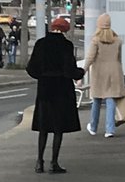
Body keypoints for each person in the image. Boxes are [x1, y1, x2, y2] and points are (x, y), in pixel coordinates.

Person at [26, 16, 84, 173]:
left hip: (45, 89)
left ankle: (39, 161)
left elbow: (31, 68)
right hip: (61, 90)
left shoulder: (41, 44)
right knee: (58, 128)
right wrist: (80, 73)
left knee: (43, 127)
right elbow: (69, 70)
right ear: (65, 30)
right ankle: (54, 162)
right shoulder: (66, 46)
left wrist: (43, 76)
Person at [85, 13, 125, 138]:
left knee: (97, 99)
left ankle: (93, 127)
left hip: (99, 72)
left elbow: (90, 58)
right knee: (111, 100)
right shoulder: (117, 40)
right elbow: (119, 58)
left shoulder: (95, 40)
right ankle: (110, 129)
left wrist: (83, 70)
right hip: (115, 71)